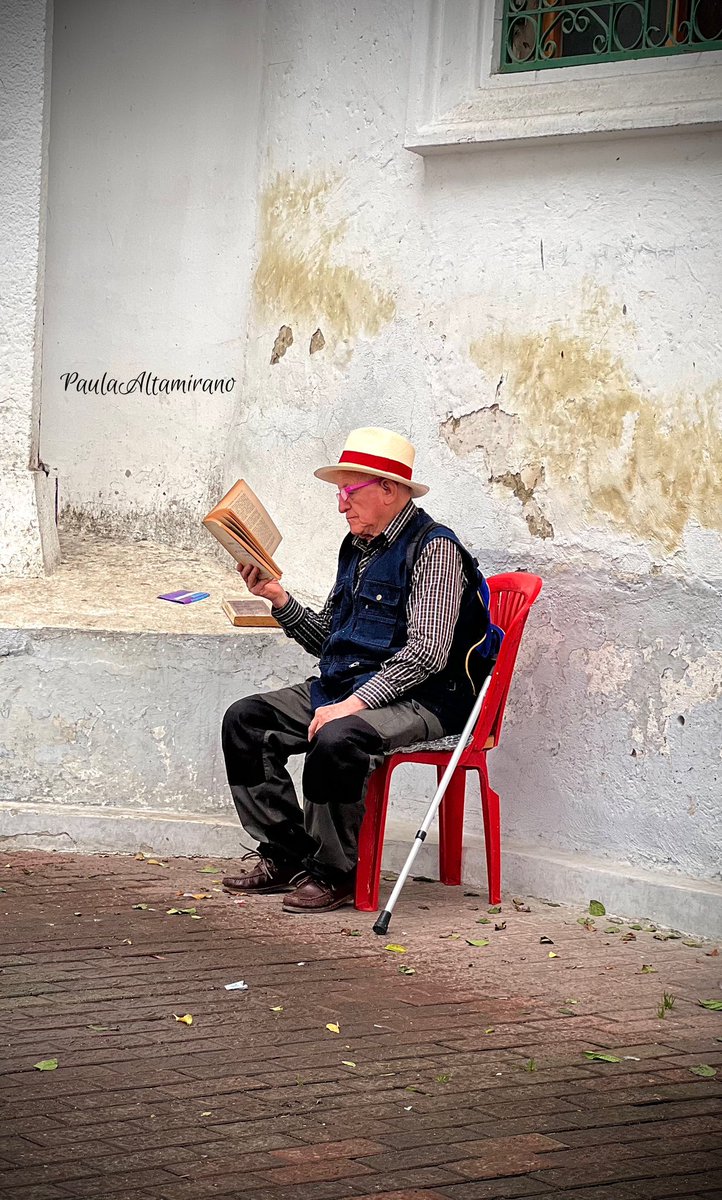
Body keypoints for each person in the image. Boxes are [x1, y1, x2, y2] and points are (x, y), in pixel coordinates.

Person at [221, 427, 499, 913]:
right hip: (349, 686)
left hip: (426, 698)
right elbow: (330, 638)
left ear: (388, 489)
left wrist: (347, 705)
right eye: (339, 494)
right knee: (246, 720)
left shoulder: (433, 549)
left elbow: (427, 655)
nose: (341, 506)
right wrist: (278, 600)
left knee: (338, 737)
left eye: (348, 492)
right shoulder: (357, 547)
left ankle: (336, 871)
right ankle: (288, 852)